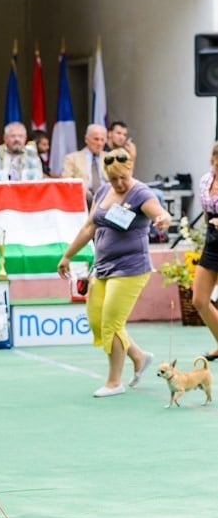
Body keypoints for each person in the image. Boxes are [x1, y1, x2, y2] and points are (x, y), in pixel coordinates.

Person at [57, 149, 171, 397]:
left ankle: (113, 382)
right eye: (113, 179)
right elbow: (89, 227)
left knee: (112, 323)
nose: (119, 184)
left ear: (130, 170)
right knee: (97, 320)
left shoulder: (141, 192)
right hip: (103, 266)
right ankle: (139, 357)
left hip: (130, 269)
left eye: (123, 178)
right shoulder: (102, 191)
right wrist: (68, 255)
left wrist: (163, 219)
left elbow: (158, 212)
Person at [192, 141, 218, 359]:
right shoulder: (205, 180)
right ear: (213, 159)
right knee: (199, 300)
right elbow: (206, 213)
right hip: (212, 243)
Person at [62, 124, 108, 206]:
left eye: (102, 140)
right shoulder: (72, 158)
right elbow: (66, 181)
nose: (99, 143)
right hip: (83, 199)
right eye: (96, 139)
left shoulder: (110, 157)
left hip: (107, 199)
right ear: (86, 139)